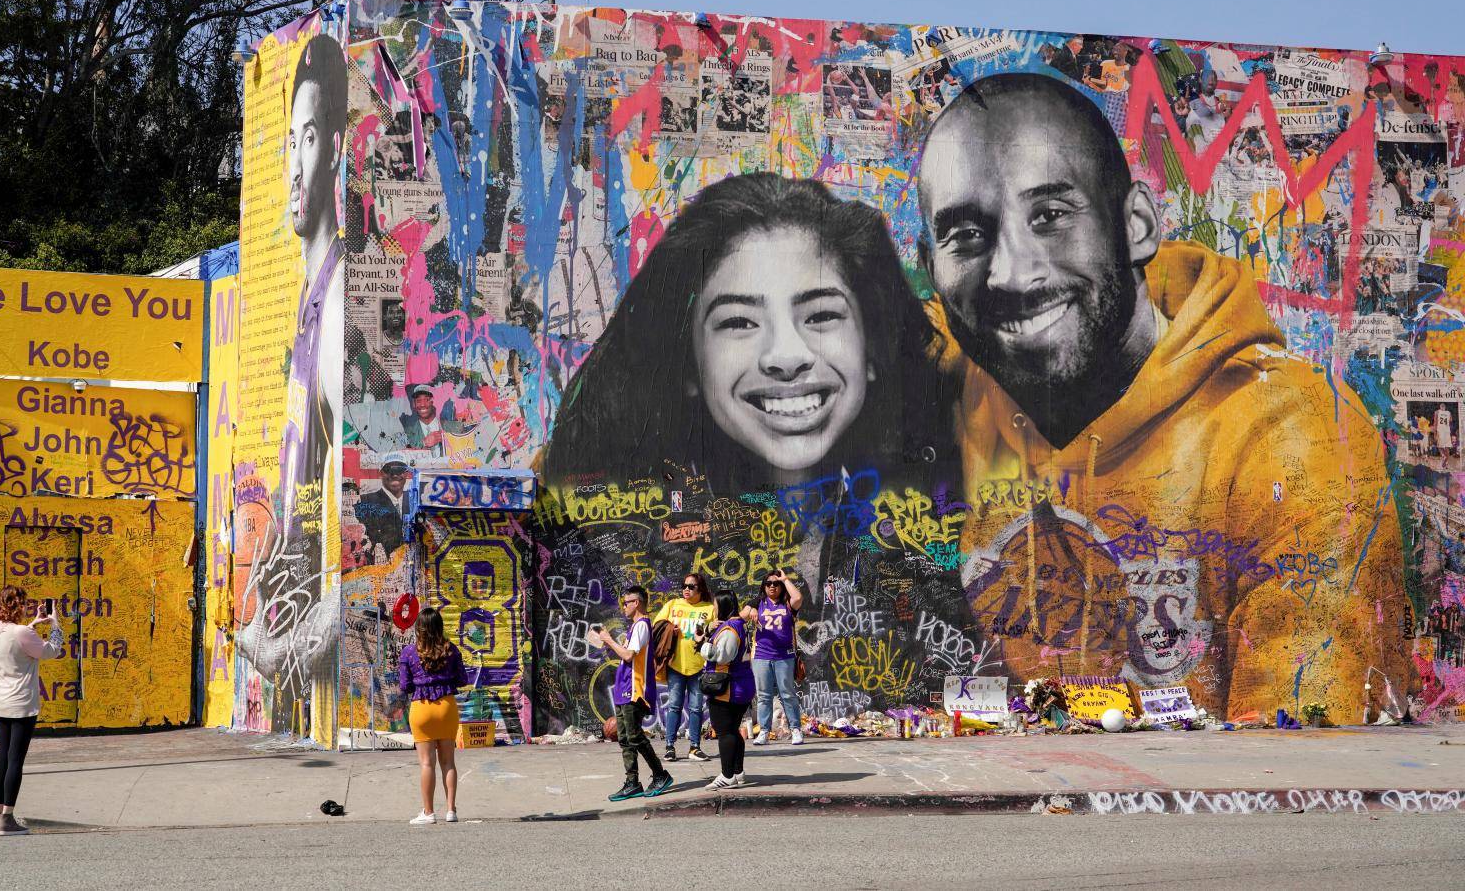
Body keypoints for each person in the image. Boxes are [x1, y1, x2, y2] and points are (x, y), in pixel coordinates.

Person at [915, 71, 1408, 721]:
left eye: (1051, 217)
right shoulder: (939, 377)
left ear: (1138, 225)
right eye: (967, 237)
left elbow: (1298, 772)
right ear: (932, 266)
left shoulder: (1291, 438)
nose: (1011, 273)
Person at [542, 172, 952, 494]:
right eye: (739, 322)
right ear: (689, 366)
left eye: (822, 314)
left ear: (872, 349)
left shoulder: (950, 516)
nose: (787, 356)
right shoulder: (613, 538)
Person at [237, 33, 346, 701]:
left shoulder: (336, 306)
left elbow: (344, 477)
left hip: (318, 644)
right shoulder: (308, 305)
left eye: (308, 139)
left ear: (334, 147)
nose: (293, 167)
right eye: (287, 144)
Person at [0, 586, 64, 836]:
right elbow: (51, 651)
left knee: (2, 759)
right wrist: (55, 624)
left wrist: (33, 624)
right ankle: (8, 820)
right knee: (15, 760)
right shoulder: (21, 632)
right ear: (19, 606)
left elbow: (11, 642)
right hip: (21, 704)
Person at [587, 586, 673, 800]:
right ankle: (632, 782)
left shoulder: (642, 625)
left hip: (635, 690)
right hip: (624, 689)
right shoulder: (634, 627)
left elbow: (627, 656)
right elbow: (625, 657)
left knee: (635, 736)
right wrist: (606, 644)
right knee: (625, 738)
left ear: (637, 603)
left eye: (626, 603)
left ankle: (660, 775)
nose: (623, 606)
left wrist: (609, 640)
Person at [397, 606, 468, 824]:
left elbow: (404, 685)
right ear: (440, 627)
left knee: (427, 764)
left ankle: (428, 813)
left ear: (419, 628)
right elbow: (462, 679)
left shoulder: (409, 652)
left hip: (422, 707)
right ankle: (451, 810)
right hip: (446, 706)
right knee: (448, 763)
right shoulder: (451, 650)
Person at [652, 572, 716, 762]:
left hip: (698, 666)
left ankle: (694, 747)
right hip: (675, 664)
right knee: (674, 706)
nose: (686, 589)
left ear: (700, 589)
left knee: (696, 708)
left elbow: (716, 630)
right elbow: (657, 626)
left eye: (691, 586)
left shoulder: (710, 608)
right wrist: (670, 629)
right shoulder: (673, 605)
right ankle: (670, 746)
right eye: (684, 586)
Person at [701, 592, 756, 789]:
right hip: (741, 684)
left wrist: (705, 647)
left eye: (715, 606)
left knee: (724, 731)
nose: (714, 610)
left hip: (728, 687)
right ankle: (737, 771)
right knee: (732, 729)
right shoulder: (739, 625)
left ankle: (727, 775)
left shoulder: (729, 629)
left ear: (723, 606)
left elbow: (723, 656)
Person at [751, 569, 804, 745]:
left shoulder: (788, 604)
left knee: (787, 694)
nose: (772, 586)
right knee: (764, 695)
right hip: (761, 656)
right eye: (769, 583)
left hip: (784, 656)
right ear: (764, 587)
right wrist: (750, 610)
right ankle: (764, 732)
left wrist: (786, 579)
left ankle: (796, 729)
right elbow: (741, 616)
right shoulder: (758, 603)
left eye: (776, 583)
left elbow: (798, 598)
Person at [354, 455, 413, 560]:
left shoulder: (415, 501)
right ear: (381, 473)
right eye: (388, 470)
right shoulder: (365, 501)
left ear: (406, 474)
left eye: (399, 470)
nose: (394, 475)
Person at [400, 384, 465, 455]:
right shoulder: (406, 433)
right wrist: (424, 443)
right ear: (414, 404)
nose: (422, 404)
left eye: (427, 399)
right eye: (418, 401)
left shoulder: (457, 428)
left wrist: (447, 439)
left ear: (434, 402)